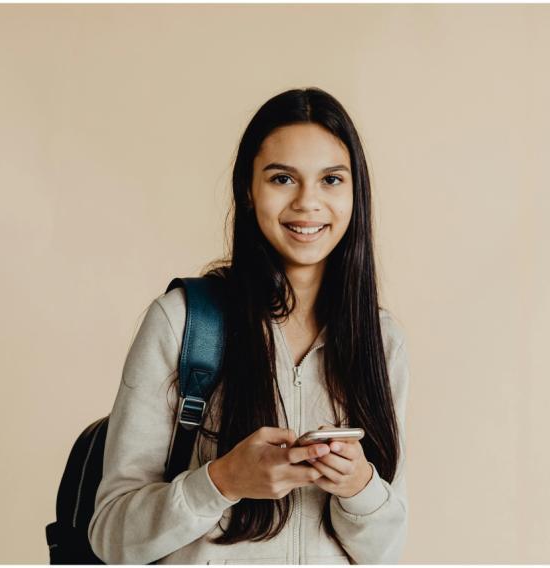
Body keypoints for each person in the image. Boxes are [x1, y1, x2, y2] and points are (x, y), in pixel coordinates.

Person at [87, 87, 410, 564]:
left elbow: (385, 554)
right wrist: (222, 481)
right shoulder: (184, 322)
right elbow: (112, 537)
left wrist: (360, 487)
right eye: (282, 178)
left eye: (331, 180)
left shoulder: (380, 340)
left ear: (354, 193)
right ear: (247, 189)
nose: (308, 202)